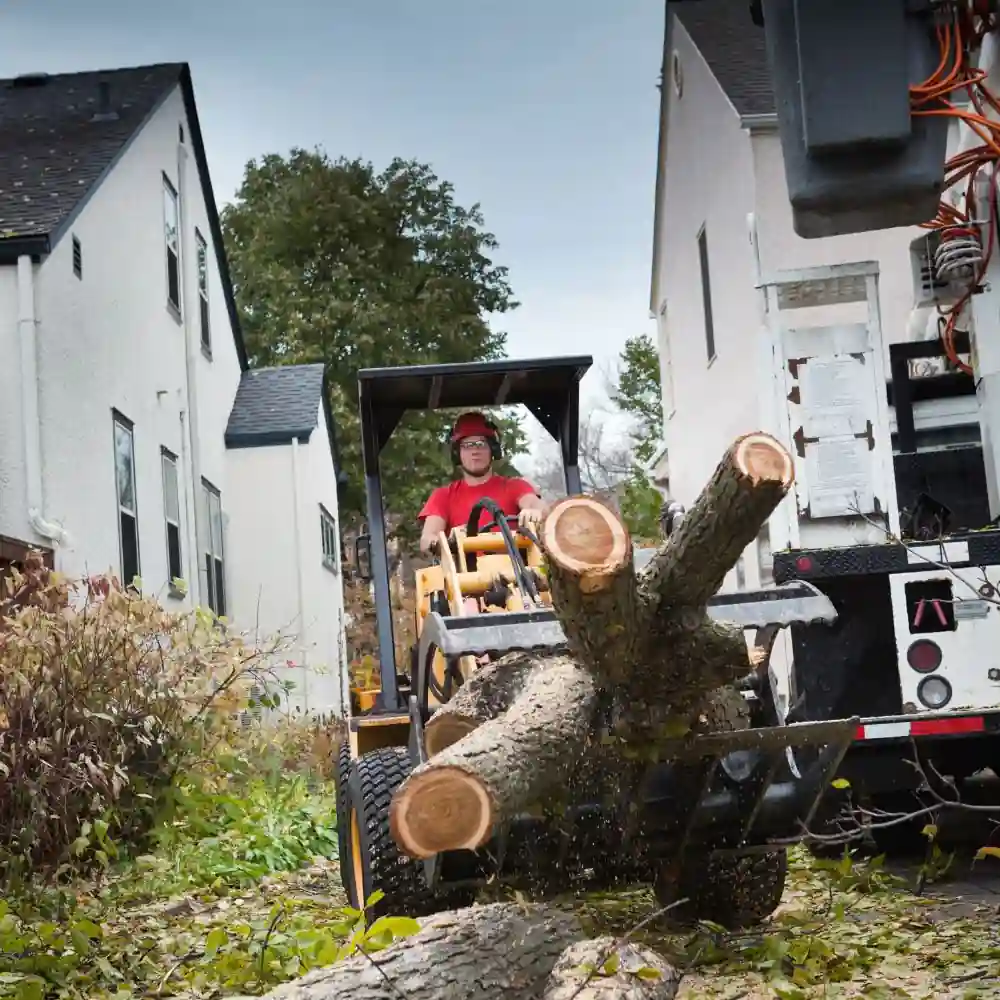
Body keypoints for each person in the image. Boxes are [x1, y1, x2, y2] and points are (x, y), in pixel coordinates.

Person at [418, 411, 545, 555]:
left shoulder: (515, 486)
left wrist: (535, 512)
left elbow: (537, 506)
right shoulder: (443, 496)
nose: (475, 451)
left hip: (516, 568)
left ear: (493, 450)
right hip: (464, 569)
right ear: (457, 453)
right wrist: (445, 542)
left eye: (481, 444)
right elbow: (427, 539)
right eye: (467, 445)